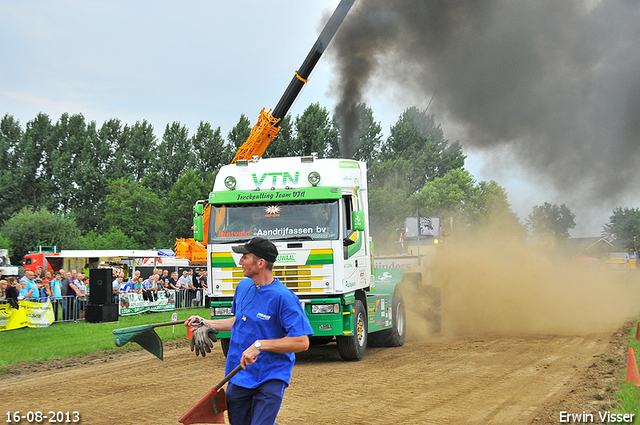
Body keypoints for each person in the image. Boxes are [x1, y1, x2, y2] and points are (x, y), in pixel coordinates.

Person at [186, 237, 313, 425]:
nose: (240, 262)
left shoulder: (284, 297)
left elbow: (302, 342)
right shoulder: (243, 287)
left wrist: (260, 345)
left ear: (260, 263)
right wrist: (207, 323)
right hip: (239, 373)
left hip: (270, 375)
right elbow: (240, 321)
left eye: (244, 257)